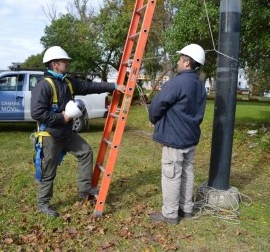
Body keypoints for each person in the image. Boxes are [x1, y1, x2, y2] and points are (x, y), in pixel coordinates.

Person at [31, 46, 126, 217]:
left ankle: (84, 189)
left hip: (67, 134)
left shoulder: (68, 82)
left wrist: (114, 86)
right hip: (50, 135)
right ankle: (43, 204)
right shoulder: (43, 86)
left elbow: (89, 86)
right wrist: (63, 117)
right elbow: (37, 113)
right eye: (64, 61)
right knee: (48, 172)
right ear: (54, 64)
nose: (67, 64)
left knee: (85, 152)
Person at [148, 44, 207, 225]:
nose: (178, 62)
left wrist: (154, 118)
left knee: (172, 175)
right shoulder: (199, 84)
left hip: (175, 139)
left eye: (180, 59)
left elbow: (157, 106)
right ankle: (186, 209)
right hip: (190, 138)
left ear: (187, 62)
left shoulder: (177, 82)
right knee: (187, 173)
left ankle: (170, 215)